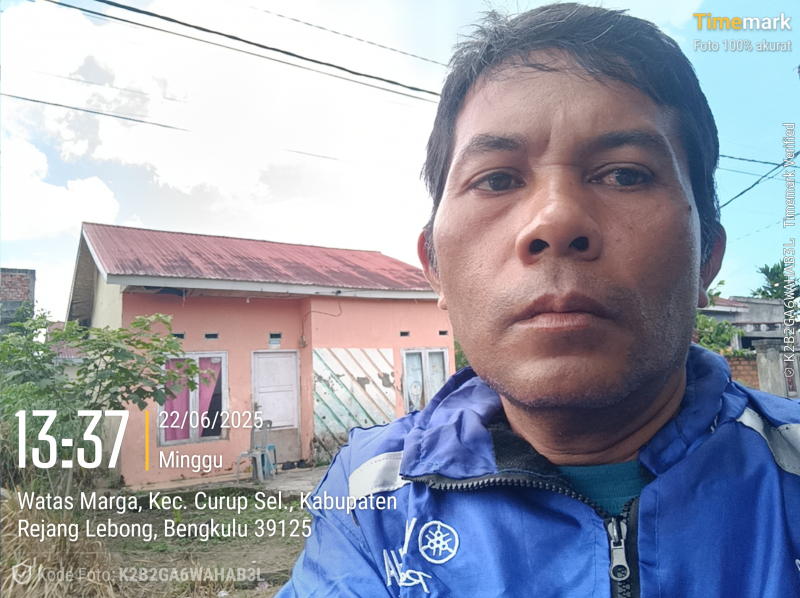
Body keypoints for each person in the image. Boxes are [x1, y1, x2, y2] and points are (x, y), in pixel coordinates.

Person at [277, 4, 800, 596]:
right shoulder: (371, 495)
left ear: (707, 257)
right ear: (435, 268)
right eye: (497, 179)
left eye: (625, 174)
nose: (555, 221)